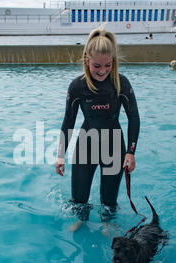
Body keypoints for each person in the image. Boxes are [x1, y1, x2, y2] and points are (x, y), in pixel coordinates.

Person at [56, 28, 140, 232]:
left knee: (109, 199)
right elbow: (68, 122)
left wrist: (130, 152)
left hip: (114, 145)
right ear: (86, 60)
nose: (102, 71)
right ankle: (81, 220)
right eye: (96, 66)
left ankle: (107, 223)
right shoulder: (77, 86)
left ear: (113, 61)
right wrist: (60, 155)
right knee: (78, 196)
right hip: (86, 143)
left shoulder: (121, 83)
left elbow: (134, 118)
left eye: (108, 65)